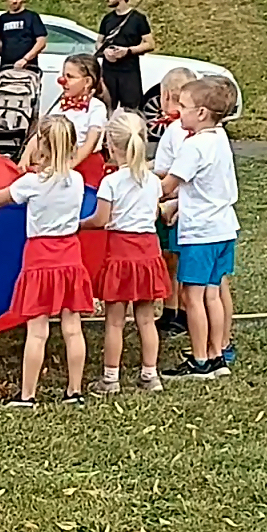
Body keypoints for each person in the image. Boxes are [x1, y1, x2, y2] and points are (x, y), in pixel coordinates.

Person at [0, 116, 92, 408]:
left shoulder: (32, 182)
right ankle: (74, 391)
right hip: (70, 255)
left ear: (42, 146)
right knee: (72, 327)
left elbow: (0, 198)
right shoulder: (77, 180)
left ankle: (28, 394)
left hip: (40, 258)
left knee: (37, 331)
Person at [80, 111, 169, 394]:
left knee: (115, 321)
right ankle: (150, 374)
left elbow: (101, 219)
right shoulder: (153, 181)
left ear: (110, 144)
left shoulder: (111, 182)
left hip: (121, 252)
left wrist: (78, 224)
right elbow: (153, 213)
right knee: (146, 318)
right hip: (148, 252)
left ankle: (110, 378)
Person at [160, 77, 240, 381]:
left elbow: (168, 186)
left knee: (192, 297)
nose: (178, 111)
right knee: (212, 293)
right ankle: (217, 354)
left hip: (200, 232)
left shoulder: (193, 146)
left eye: (183, 106)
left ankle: (200, 360)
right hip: (223, 228)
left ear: (202, 113)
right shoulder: (220, 137)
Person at [151, 66, 198, 335]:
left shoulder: (177, 130)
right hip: (183, 201)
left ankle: (179, 312)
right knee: (172, 258)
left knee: (173, 258)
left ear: (166, 95)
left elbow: (171, 171)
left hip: (174, 203)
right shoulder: (190, 131)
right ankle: (172, 310)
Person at [23, 54, 108, 173]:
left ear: (87, 81)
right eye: (63, 75)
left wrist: (67, 167)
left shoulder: (96, 107)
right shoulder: (61, 106)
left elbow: (90, 143)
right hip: (58, 160)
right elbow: (41, 133)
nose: (62, 81)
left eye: (70, 77)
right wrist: (25, 157)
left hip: (83, 164)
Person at [97, 0, 155, 111]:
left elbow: (150, 44)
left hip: (129, 71)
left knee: (131, 109)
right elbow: (99, 42)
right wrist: (105, 51)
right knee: (106, 107)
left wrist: (128, 51)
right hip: (108, 71)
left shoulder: (138, 19)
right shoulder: (107, 19)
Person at [0, 0, 48, 84]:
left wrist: (25, 59)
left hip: (28, 68)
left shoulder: (32, 17)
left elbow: (41, 42)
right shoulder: (2, 19)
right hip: (6, 68)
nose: (14, 1)